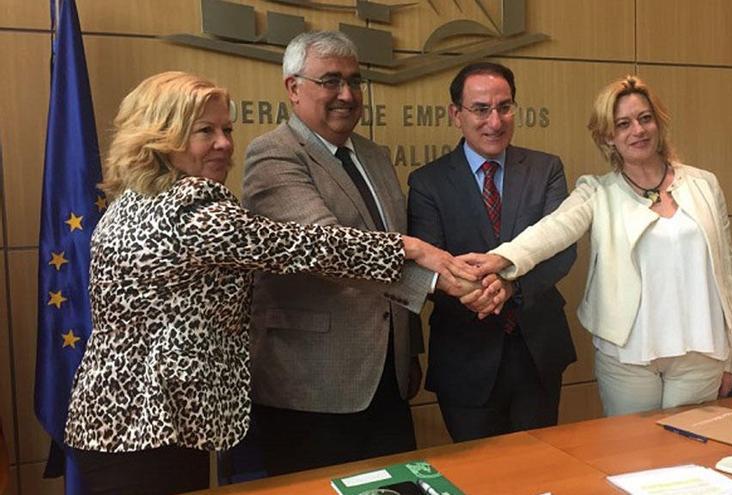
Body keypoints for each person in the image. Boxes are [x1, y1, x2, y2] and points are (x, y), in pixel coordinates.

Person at [63, 71, 459, 494]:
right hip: (151, 425)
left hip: (116, 419)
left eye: (227, 129)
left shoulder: (130, 201)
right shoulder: (190, 206)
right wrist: (409, 248)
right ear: (162, 137)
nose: (224, 143)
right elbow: (302, 246)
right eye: (205, 131)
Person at [242, 31, 477, 474]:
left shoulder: (374, 155)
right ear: (294, 88)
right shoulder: (273, 155)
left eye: (354, 80)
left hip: (386, 379)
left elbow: (390, 261)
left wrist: (412, 347)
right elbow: (327, 250)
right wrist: (432, 271)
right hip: (311, 389)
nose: (347, 95)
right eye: (330, 81)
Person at [465, 75, 732, 417]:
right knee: (633, 461)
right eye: (622, 124)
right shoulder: (597, 191)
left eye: (644, 118)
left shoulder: (704, 184)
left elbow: (726, 276)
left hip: (701, 351)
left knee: (689, 455)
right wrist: (501, 258)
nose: (637, 131)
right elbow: (553, 229)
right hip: (628, 355)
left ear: (659, 122)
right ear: (608, 136)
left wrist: (731, 353)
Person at [407, 62, 577, 442]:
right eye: (481, 109)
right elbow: (426, 266)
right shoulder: (427, 182)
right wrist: (477, 292)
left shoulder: (545, 169)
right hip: (465, 357)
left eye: (505, 107)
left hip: (537, 351)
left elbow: (562, 251)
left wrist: (510, 286)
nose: (495, 121)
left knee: (538, 470)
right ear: (456, 114)